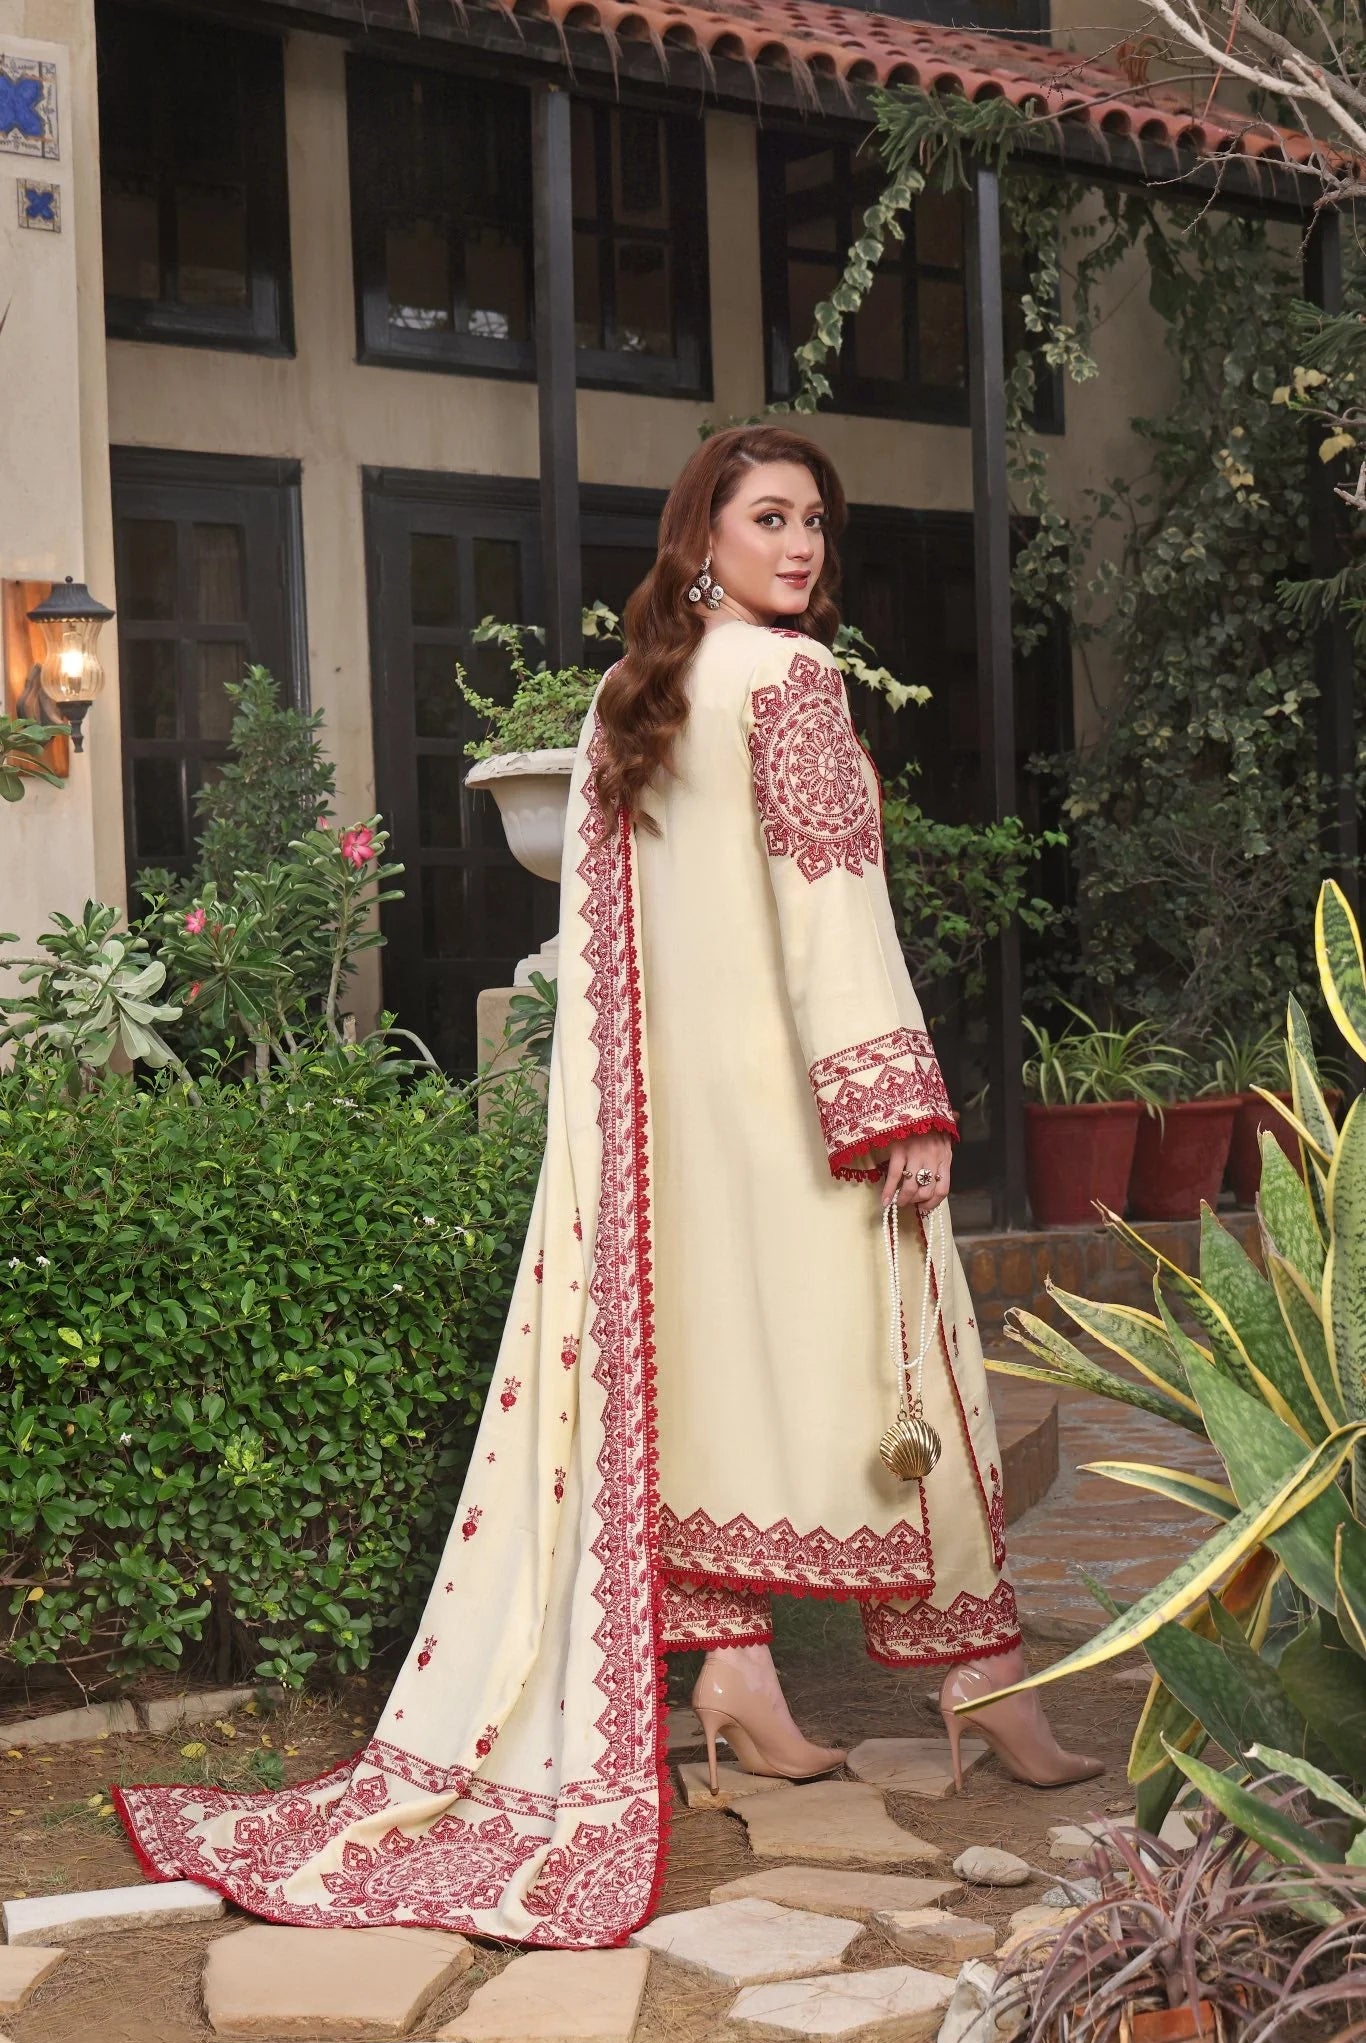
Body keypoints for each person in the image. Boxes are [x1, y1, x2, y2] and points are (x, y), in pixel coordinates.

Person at [115, 424, 1098, 1951]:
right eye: (769, 518)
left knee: (696, 1389)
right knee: (917, 1364)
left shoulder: (630, 698)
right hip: (804, 1115)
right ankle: (988, 1687)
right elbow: (831, 911)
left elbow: (609, 954)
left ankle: (738, 1678)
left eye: (814, 522)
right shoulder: (793, 682)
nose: (801, 546)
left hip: (669, 1150)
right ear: (699, 536)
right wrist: (896, 1101)